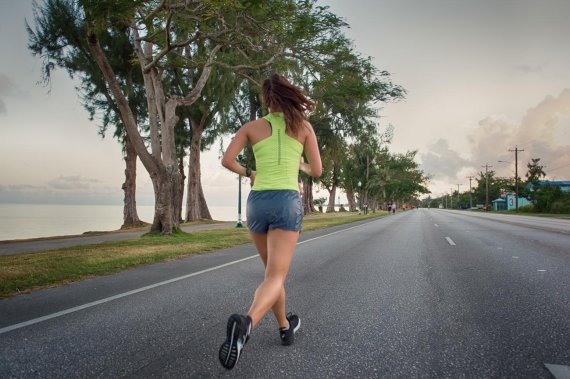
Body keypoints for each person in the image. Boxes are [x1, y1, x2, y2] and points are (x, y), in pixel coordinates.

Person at [219, 74, 322, 370]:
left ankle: (284, 327)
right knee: (276, 276)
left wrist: (249, 173)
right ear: (290, 97)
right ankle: (247, 324)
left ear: (266, 99)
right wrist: (298, 162)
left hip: (258, 202)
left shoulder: (252, 127)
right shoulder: (303, 127)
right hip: (286, 202)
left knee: (271, 275)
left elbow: (227, 160)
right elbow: (316, 170)